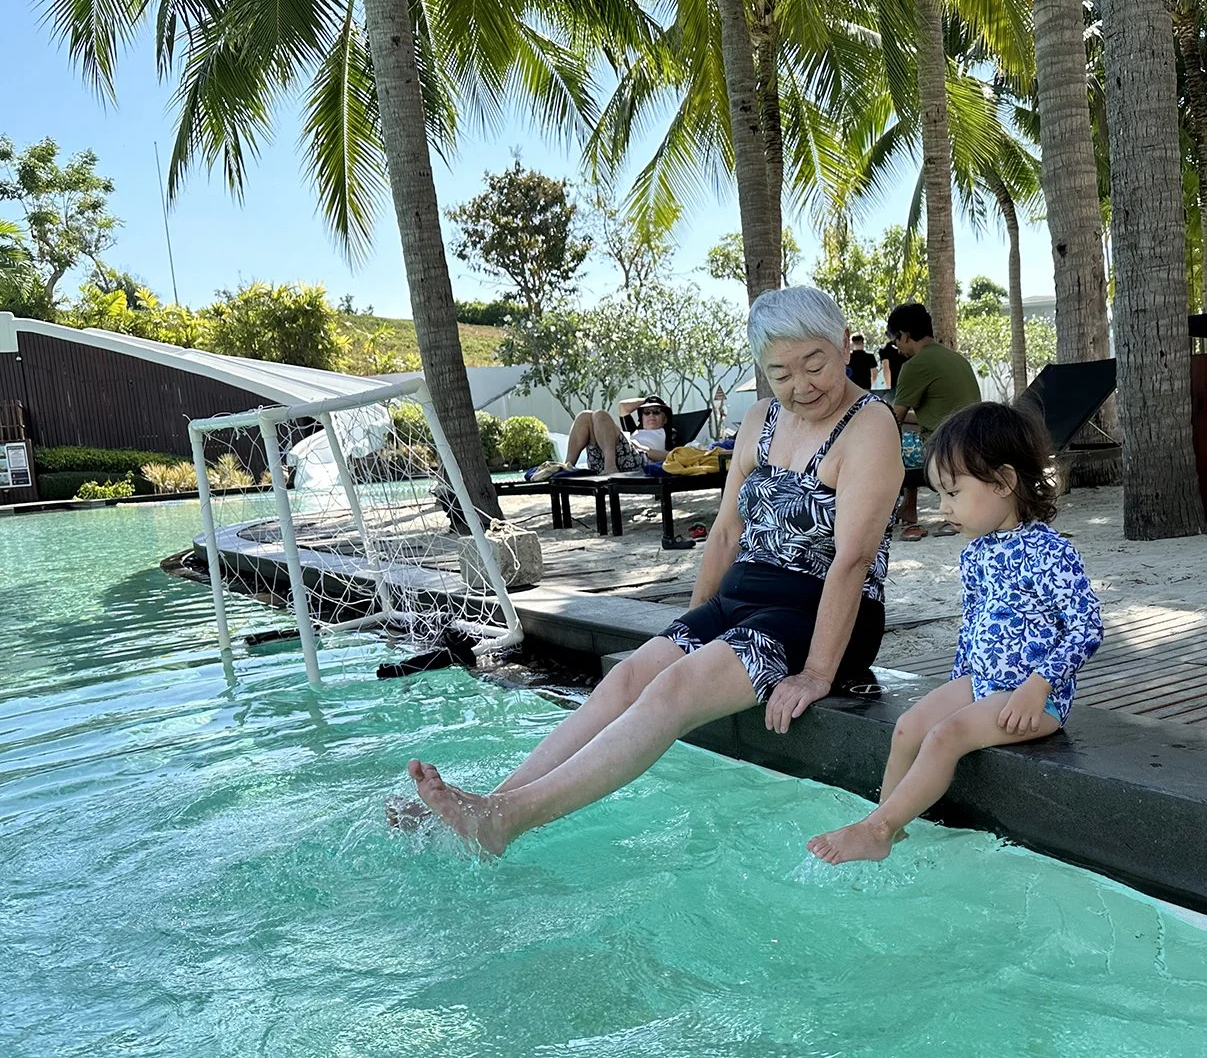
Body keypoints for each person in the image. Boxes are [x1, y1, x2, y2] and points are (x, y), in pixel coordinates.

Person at [400, 287, 904, 856]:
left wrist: (815, 673)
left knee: (674, 689)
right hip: (740, 600)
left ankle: (507, 820)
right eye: (780, 373)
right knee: (628, 677)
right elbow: (726, 533)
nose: (801, 386)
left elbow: (853, 559)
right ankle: (486, 806)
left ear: (843, 346)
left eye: (814, 365)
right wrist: (692, 626)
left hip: (817, 613)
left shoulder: (869, 424)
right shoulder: (762, 419)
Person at [807, 401, 1103, 864]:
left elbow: (1087, 627)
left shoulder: (1050, 552)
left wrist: (1039, 685)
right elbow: (974, 624)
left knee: (945, 736)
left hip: (1034, 698)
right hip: (981, 681)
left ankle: (878, 830)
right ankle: (888, 822)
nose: (943, 507)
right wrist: (956, 684)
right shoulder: (975, 552)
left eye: (953, 492)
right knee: (909, 726)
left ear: (1003, 482)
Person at [886, 301, 980, 540]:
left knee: (884, 445)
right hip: (973, 440)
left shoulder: (915, 365)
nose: (897, 348)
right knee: (910, 434)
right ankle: (908, 507)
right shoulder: (956, 358)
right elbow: (938, 412)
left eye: (895, 341)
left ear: (905, 335)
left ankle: (882, 515)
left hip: (943, 449)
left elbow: (891, 421)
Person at [565, 394, 675, 475]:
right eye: (647, 412)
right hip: (602, 459)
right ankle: (567, 466)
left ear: (665, 419)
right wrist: (648, 399)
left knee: (601, 415)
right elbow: (623, 407)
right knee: (584, 416)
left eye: (656, 412)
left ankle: (610, 466)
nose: (651, 415)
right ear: (641, 418)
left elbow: (674, 455)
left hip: (637, 461)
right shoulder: (634, 430)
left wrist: (643, 449)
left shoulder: (669, 432)